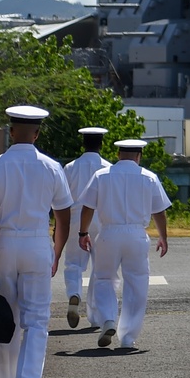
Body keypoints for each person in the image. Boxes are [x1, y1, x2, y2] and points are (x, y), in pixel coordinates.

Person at [0, 104, 73, 378]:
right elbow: (63, 214)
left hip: (4, 245)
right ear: (38, 133)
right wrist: (56, 251)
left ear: (12, 130)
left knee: (5, 322)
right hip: (36, 244)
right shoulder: (52, 167)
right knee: (37, 323)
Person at [78, 138, 170, 350]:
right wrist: (163, 236)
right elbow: (159, 210)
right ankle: (128, 336)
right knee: (137, 283)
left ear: (118, 155)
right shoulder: (149, 177)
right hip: (136, 234)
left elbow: (87, 207)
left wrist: (83, 232)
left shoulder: (101, 175)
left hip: (109, 232)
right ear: (139, 156)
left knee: (103, 278)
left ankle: (108, 319)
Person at [63, 126, 110, 328]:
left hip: (75, 219)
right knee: (99, 269)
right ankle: (95, 314)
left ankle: (74, 293)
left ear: (83, 144)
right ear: (101, 144)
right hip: (101, 220)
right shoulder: (109, 168)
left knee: (73, 263)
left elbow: (62, 200)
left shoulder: (70, 167)